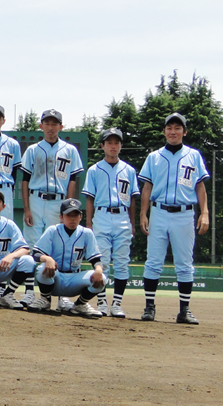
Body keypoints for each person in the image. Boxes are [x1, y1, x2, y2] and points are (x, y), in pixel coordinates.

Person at [138, 113, 209, 324]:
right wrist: (143, 213)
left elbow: (200, 185)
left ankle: (184, 310)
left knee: (185, 263)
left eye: (178, 128)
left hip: (185, 213)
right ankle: (149, 307)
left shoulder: (194, 155)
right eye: (169, 128)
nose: (173, 131)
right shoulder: (154, 157)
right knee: (153, 262)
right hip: (158, 211)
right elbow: (147, 187)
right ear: (164, 131)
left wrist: (204, 212)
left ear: (184, 132)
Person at [20, 109, 83, 309]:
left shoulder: (70, 150)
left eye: (54, 123)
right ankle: (30, 291)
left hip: (59, 201)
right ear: (41, 126)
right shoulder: (32, 149)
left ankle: (62, 294)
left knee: (59, 247)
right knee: (31, 246)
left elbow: (73, 179)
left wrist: (68, 206)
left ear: (61, 127)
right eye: (47, 123)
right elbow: (25, 180)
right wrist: (27, 208)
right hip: (36, 199)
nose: (50, 127)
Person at [81, 128, 139, 317]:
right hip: (102, 215)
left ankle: (117, 304)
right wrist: (89, 224)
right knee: (102, 262)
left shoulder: (129, 170)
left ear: (121, 145)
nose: (113, 146)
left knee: (122, 262)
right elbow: (89, 199)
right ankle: (102, 302)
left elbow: (132, 200)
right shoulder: (94, 169)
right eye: (109, 142)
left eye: (116, 142)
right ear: (102, 146)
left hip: (122, 216)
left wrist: (132, 223)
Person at [27, 199, 107, 318]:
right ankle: (45, 299)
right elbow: (35, 253)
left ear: (81, 216)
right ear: (61, 216)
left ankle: (80, 305)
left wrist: (99, 270)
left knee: (102, 279)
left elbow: (95, 259)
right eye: (68, 215)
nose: (72, 218)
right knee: (42, 268)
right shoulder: (53, 230)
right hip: (55, 278)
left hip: (75, 280)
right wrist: (47, 258)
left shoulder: (86, 233)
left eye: (75, 215)